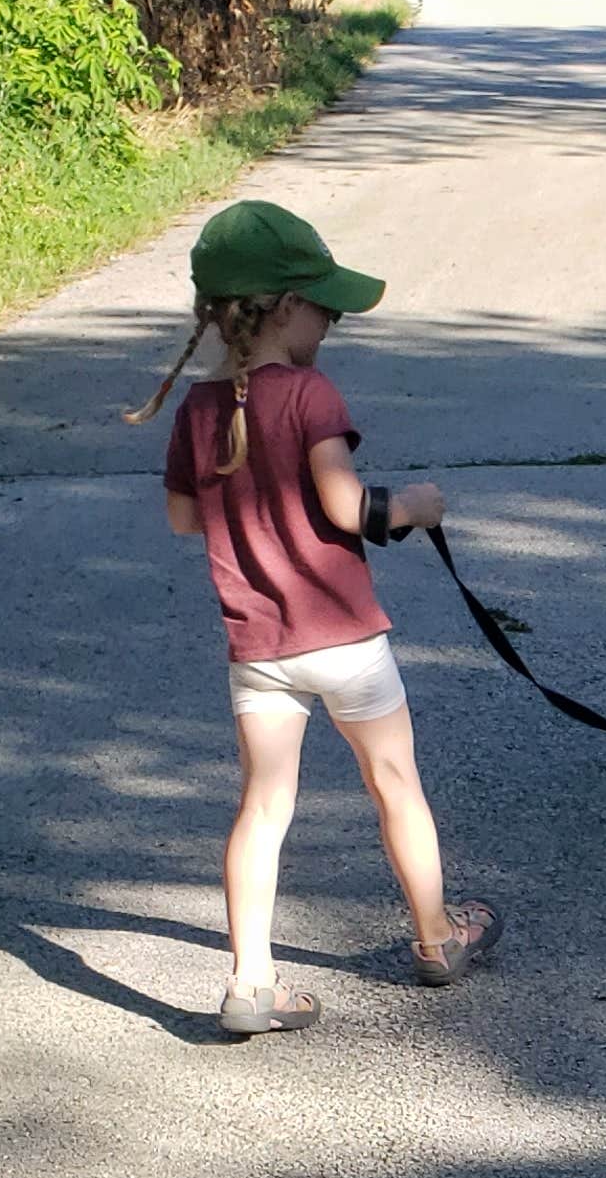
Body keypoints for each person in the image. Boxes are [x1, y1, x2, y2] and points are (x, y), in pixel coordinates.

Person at [132, 197, 498, 1037]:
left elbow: (187, 520)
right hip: (346, 641)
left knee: (263, 804)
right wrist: (415, 505)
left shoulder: (196, 410)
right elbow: (345, 506)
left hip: (258, 649)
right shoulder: (308, 392)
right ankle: (438, 938)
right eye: (326, 306)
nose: (331, 322)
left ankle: (251, 982)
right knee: (394, 783)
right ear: (286, 307)